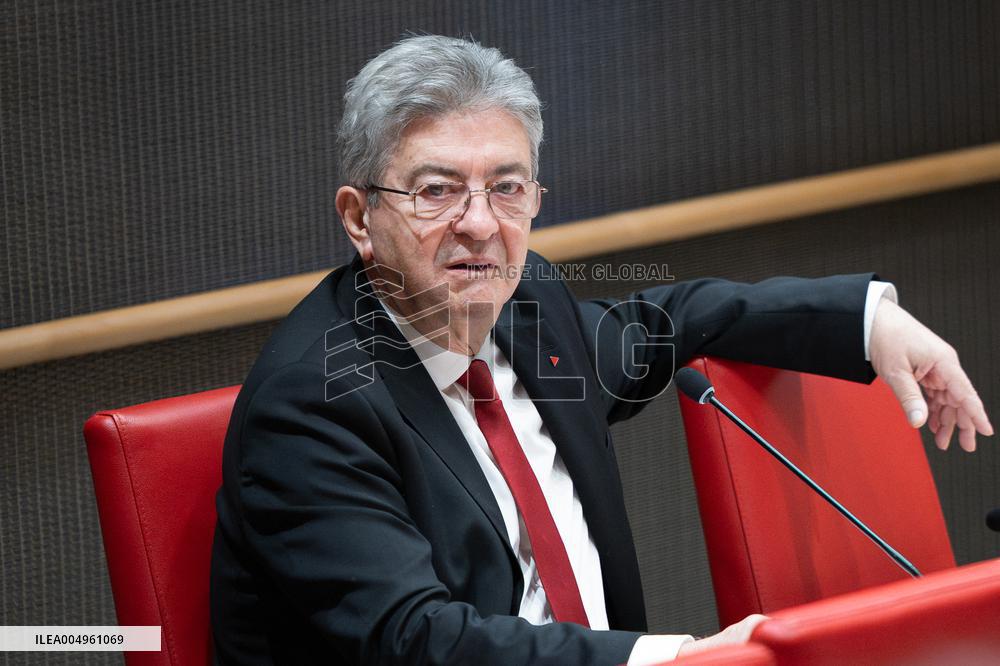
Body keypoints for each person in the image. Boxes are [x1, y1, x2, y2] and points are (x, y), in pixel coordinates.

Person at [210, 35, 992, 665]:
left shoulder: (527, 308)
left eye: (508, 188)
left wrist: (868, 318)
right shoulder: (314, 404)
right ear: (358, 218)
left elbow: (674, 320)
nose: (481, 224)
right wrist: (669, 660)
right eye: (437, 191)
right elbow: (415, 638)